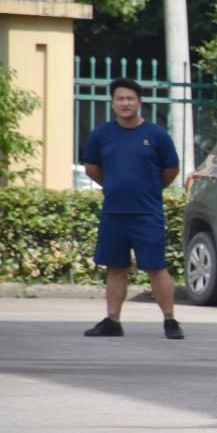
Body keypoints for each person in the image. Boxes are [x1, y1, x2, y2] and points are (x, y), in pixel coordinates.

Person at [81, 78, 184, 340]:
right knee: (115, 267)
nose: (125, 103)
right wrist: (114, 185)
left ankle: (170, 320)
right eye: (120, 99)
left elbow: (171, 170)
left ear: (139, 102)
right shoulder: (101, 135)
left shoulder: (156, 135)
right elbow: (91, 168)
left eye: (130, 98)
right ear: (113, 103)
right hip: (114, 213)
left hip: (147, 213)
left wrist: (147, 188)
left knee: (155, 267)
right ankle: (112, 320)